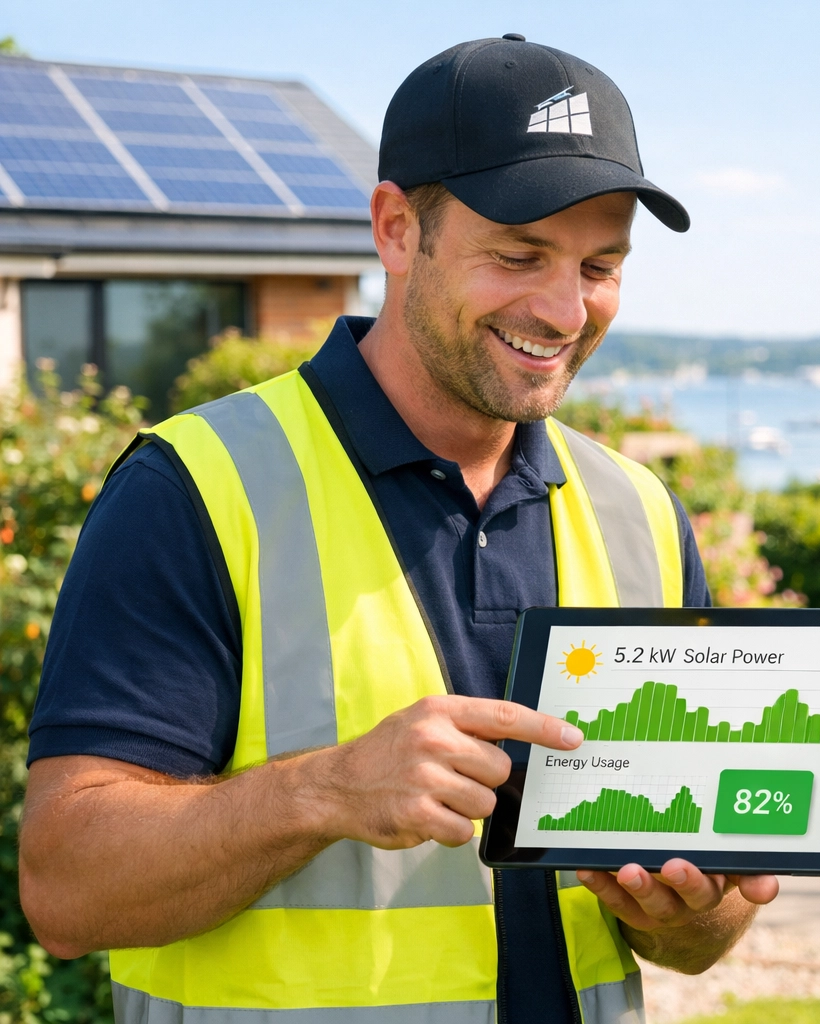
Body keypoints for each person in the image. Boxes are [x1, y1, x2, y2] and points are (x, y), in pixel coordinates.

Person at [19, 36, 776, 1024]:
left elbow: (698, 942)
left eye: (600, 265)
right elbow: (67, 889)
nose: (563, 308)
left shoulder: (640, 513)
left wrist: (686, 911)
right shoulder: (194, 488)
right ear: (394, 229)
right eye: (518, 255)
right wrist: (324, 791)